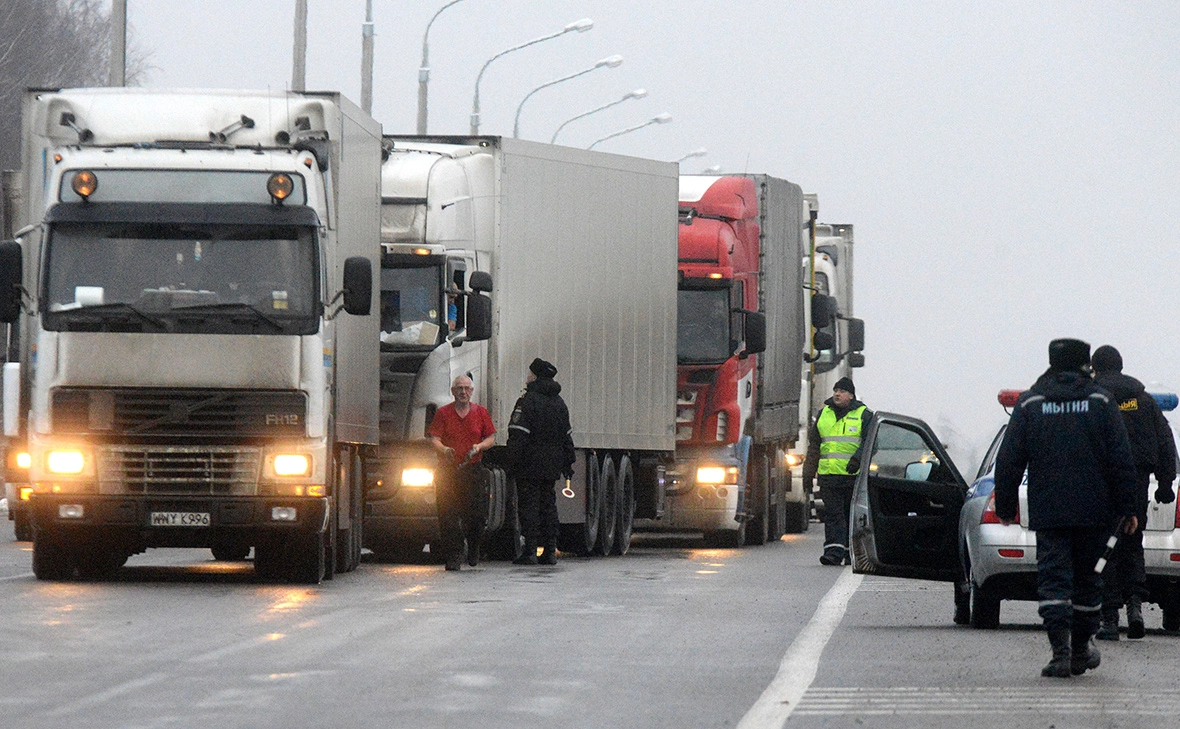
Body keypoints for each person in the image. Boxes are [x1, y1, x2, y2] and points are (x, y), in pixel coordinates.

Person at [994, 338, 1138, 678]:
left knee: (1054, 581)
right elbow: (1121, 460)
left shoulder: (1031, 404)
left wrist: (1006, 506)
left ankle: (1059, 652)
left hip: (1049, 511)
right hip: (1094, 512)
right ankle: (1078, 650)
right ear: (1084, 364)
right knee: (1089, 581)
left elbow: (1009, 460)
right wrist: (1128, 508)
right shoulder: (1101, 402)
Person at [1090, 345, 1177, 641]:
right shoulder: (1144, 401)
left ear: (1095, 368)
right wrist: (1165, 485)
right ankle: (1136, 608)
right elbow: (1166, 444)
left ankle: (1110, 619)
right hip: (1137, 485)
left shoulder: (1092, 399)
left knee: (1105, 548)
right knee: (1132, 542)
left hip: (1100, 485)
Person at [505, 358, 576, 566]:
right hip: (552, 465)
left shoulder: (527, 401)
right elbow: (567, 437)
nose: (527, 378)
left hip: (529, 464)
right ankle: (550, 551)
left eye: (529, 374)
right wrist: (568, 464)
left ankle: (530, 551)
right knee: (548, 506)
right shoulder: (559, 403)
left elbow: (518, 435)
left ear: (534, 377)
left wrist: (511, 462)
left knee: (529, 507)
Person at [802, 377, 873, 566]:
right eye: (835, 390)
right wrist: (808, 473)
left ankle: (853, 553)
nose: (837, 394)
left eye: (842, 391)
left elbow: (870, 443)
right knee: (833, 515)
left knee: (851, 515)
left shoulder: (864, 415)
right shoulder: (823, 414)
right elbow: (814, 447)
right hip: (828, 476)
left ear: (851, 395)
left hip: (853, 477)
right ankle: (833, 552)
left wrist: (857, 460)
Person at [428, 375, 496, 571]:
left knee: (475, 515)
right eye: (459, 388)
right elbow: (434, 438)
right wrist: (444, 450)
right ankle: (453, 555)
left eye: (466, 388)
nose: (463, 392)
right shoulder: (443, 413)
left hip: (472, 470)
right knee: (447, 515)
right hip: (448, 471)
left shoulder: (481, 412)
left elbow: (490, 437)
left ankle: (474, 547)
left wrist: (479, 446)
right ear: (452, 391)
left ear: (472, 391)